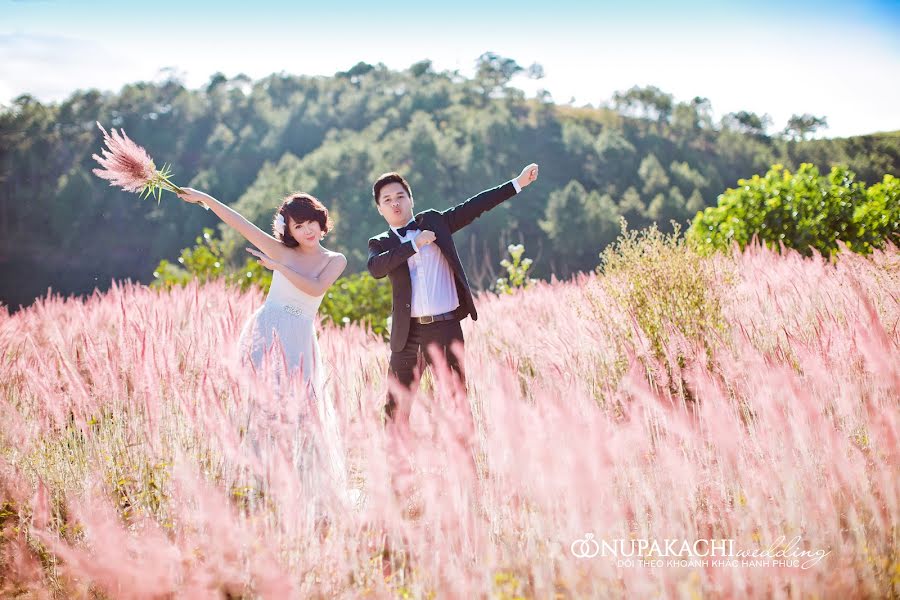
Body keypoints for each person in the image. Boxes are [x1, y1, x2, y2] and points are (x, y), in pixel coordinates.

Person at [177, 187, 350, 514]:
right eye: (297, 226)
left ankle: (306, 491)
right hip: (267, 330)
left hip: (299, 335)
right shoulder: (282, 251)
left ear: (321, 222)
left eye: (310, 222)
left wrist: (278, 267)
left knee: (303, 408)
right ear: (289, 231)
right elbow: (240, 224)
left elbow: (315, 288)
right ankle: (259, 486)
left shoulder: (334, 260)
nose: (306, 230)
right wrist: (206, 199)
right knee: (264, 406)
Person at [366, 164, 539, 424]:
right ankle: (397, 464)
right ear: (380, 208)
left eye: (400, 196)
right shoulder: (380, 243)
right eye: (387, 200)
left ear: (411, 199)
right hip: (407, 334)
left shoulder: (436, 222)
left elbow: (474, 206)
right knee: (396, 409)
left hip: (445, 328)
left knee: (457, 402)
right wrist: (414, 244)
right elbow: (376, 268)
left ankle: (465, 463)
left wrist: (517, 183)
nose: (395, 204)